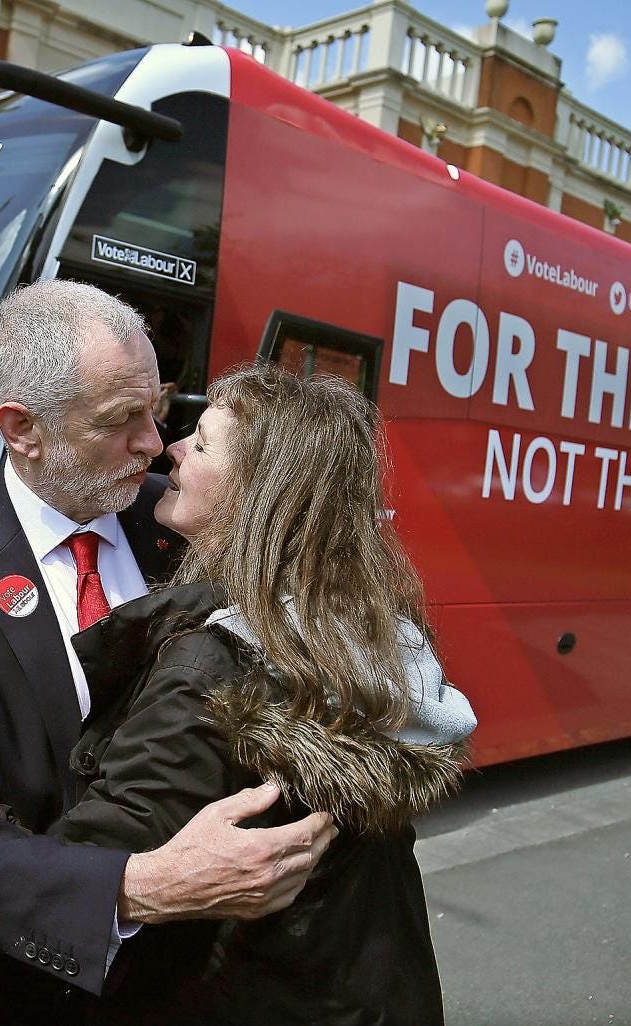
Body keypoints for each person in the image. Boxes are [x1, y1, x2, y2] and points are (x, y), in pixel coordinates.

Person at [0, 281, 336, 1025]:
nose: (155, 443)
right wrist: (141, 885)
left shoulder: (183, 523)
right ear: (22, 428)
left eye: (157, 410)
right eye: (122, 420)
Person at [48, 363, 477, 1024]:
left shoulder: (217, 665)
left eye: (204, 443)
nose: (172, 447)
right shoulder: (365, 637)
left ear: (256, 494)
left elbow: (80, 880)